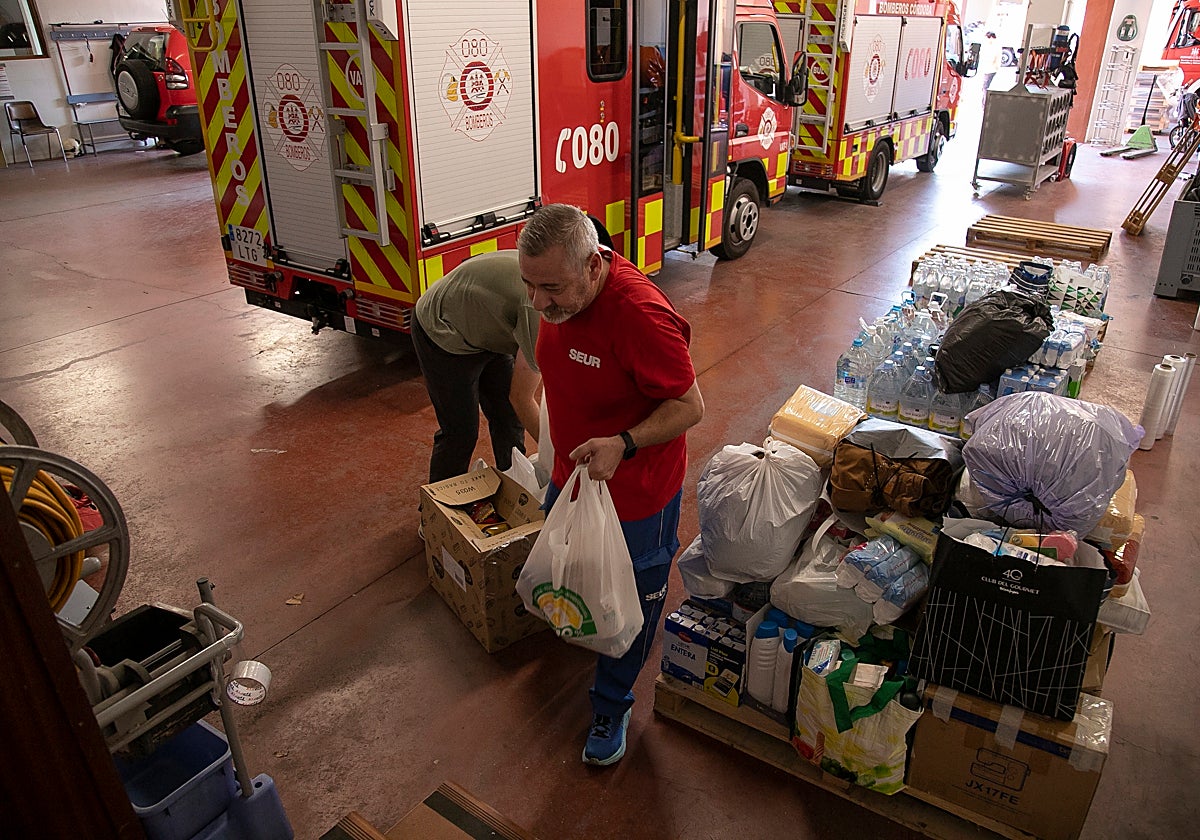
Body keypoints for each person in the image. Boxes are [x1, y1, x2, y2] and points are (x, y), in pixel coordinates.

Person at [517, 204, 704, 766]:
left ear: (595, 265)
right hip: (571, 477)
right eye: (529, 286)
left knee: (633, 598)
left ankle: (612, 700)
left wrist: (622, 443)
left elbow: (690, 406)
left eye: (551, 288)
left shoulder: (640, 315)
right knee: (577, 575)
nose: (537, 303)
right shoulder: (551, 296)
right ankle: (587, 633)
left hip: (635, 491)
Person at [411, 250, 541, 484]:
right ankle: (440, 510)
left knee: (508, 418)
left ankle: (517, 488)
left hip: (486, 325)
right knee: (461, 432)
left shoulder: (555, 287)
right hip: (443, 331)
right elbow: (522, 397)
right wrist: (559, 453)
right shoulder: (537, 306)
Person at [980, 32, 1001, 105]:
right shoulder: (995, 45)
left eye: (987, 38)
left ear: (991, 37)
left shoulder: (994, 46)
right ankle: (984, 103)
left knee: (985, 87)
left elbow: (992, 58)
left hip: (990, 69)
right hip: (991, 69)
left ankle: (985, 104)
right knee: (985, 87)